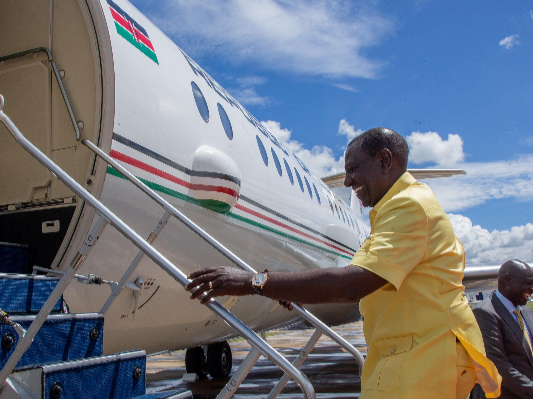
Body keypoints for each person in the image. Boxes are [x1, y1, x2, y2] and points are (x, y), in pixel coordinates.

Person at [185, 127, 501, 398]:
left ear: (385, 161)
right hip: (409, 358)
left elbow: (353, 284)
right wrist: (291, 289)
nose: (347, 182)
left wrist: (253, 282)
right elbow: (356, 281)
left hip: (424, 361)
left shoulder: (410, 206)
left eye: (353, 169)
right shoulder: (394, 213)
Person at [471, 259, 533, 399]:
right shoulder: (485, 313)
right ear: (507, 279)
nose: (532, 289)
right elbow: (499, 366)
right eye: (528, 283)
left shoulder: (526, 311)